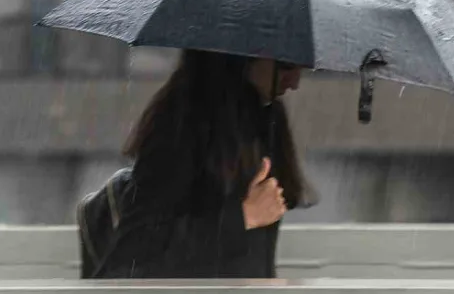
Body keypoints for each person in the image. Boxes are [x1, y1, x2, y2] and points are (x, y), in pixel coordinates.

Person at [99, 49, 316, 278]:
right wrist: (243, 217)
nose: (295, 83)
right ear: (242, 55)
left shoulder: (266, 118)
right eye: (287, 65)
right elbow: (135, 252)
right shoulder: (182, 123)